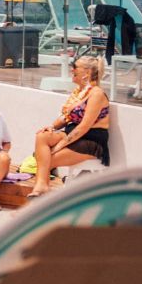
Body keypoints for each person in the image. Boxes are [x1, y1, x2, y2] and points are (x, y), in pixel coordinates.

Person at [26, 57, 111, 198]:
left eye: (75, 67)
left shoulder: (97, 94)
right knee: (42, 136)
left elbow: (84, 127)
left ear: (87, 72)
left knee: (47, 159)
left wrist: (59, 145)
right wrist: (51, 127)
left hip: (90, 141)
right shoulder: (79, 92)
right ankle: (41, 186)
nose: (72, 70)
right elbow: (66, 117)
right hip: (72, 134)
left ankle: (41, 191)